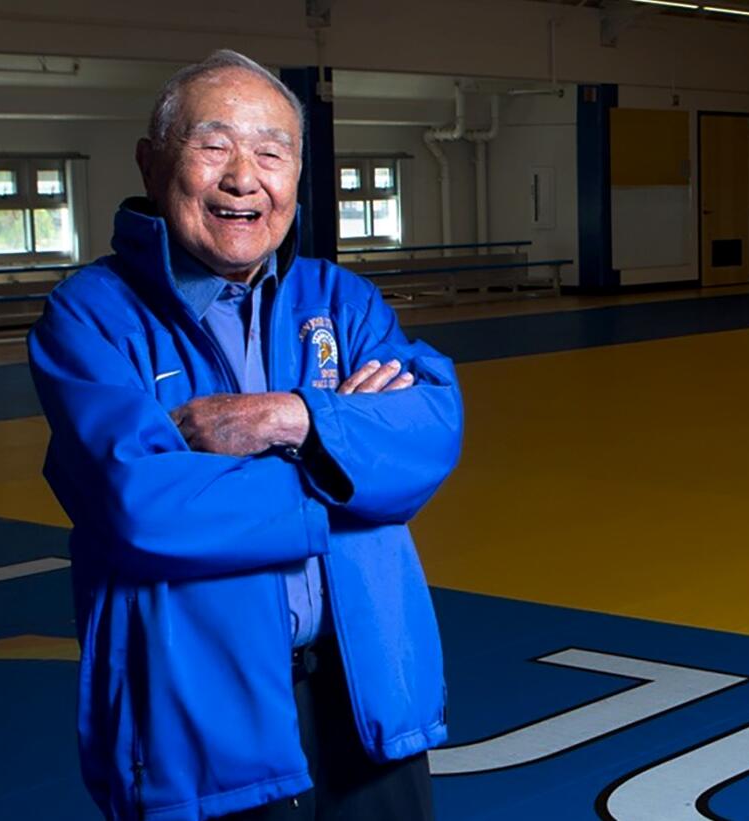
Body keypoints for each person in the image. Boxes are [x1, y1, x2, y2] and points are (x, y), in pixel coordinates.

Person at [27, 49, 463, 821]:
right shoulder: (91, 319)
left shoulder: (342, 302)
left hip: (370, 703)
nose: (243, 176)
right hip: (202, 732)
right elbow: (144, 506)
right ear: (152, 160)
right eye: (213, 144)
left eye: (272, 151)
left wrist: (289, 417)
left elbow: (431, 430)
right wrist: (347, 465)